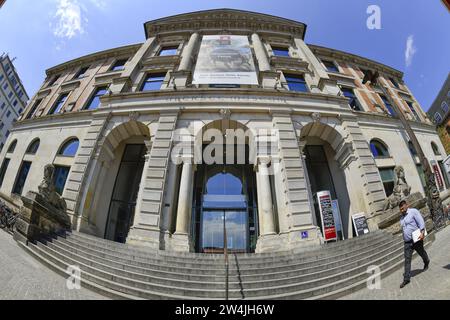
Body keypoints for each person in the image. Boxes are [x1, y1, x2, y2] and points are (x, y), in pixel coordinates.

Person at [399, 200, 430, 289]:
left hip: (416, 239)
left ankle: (426, 261)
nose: (402, 210)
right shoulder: (401, 218)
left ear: (406, 205)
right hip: (407, 242)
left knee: (421, 252)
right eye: (400, 209)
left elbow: (421, 221)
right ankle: (406, 279)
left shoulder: (413, 212)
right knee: (407, 259)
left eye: (403, 208)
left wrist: (422, 232)